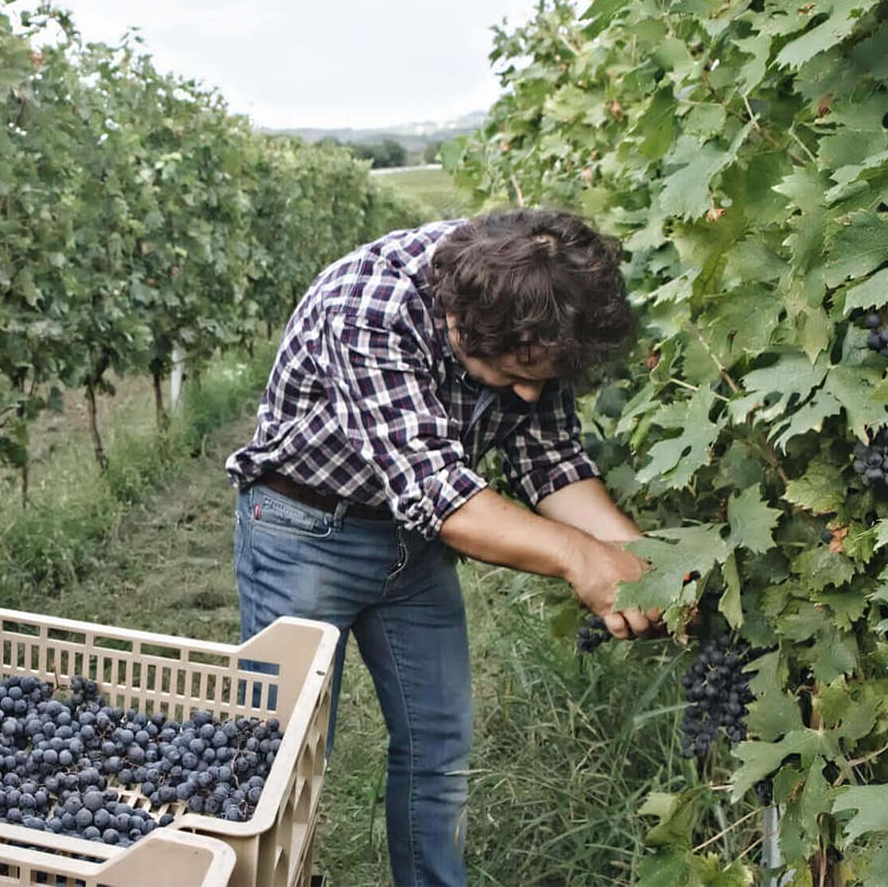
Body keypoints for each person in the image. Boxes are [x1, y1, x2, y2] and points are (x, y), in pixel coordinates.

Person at [225, 207, 664, 886]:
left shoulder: (536, 304)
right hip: (304, 529)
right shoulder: (368, 306)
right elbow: (441, 494)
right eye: (517, 370)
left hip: (413, 541)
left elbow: (551, 462)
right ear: (463, 321)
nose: (529, 391)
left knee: (440, 747)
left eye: (545, 376)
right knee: (286, 756)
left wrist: (648, 561)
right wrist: (580, 557)